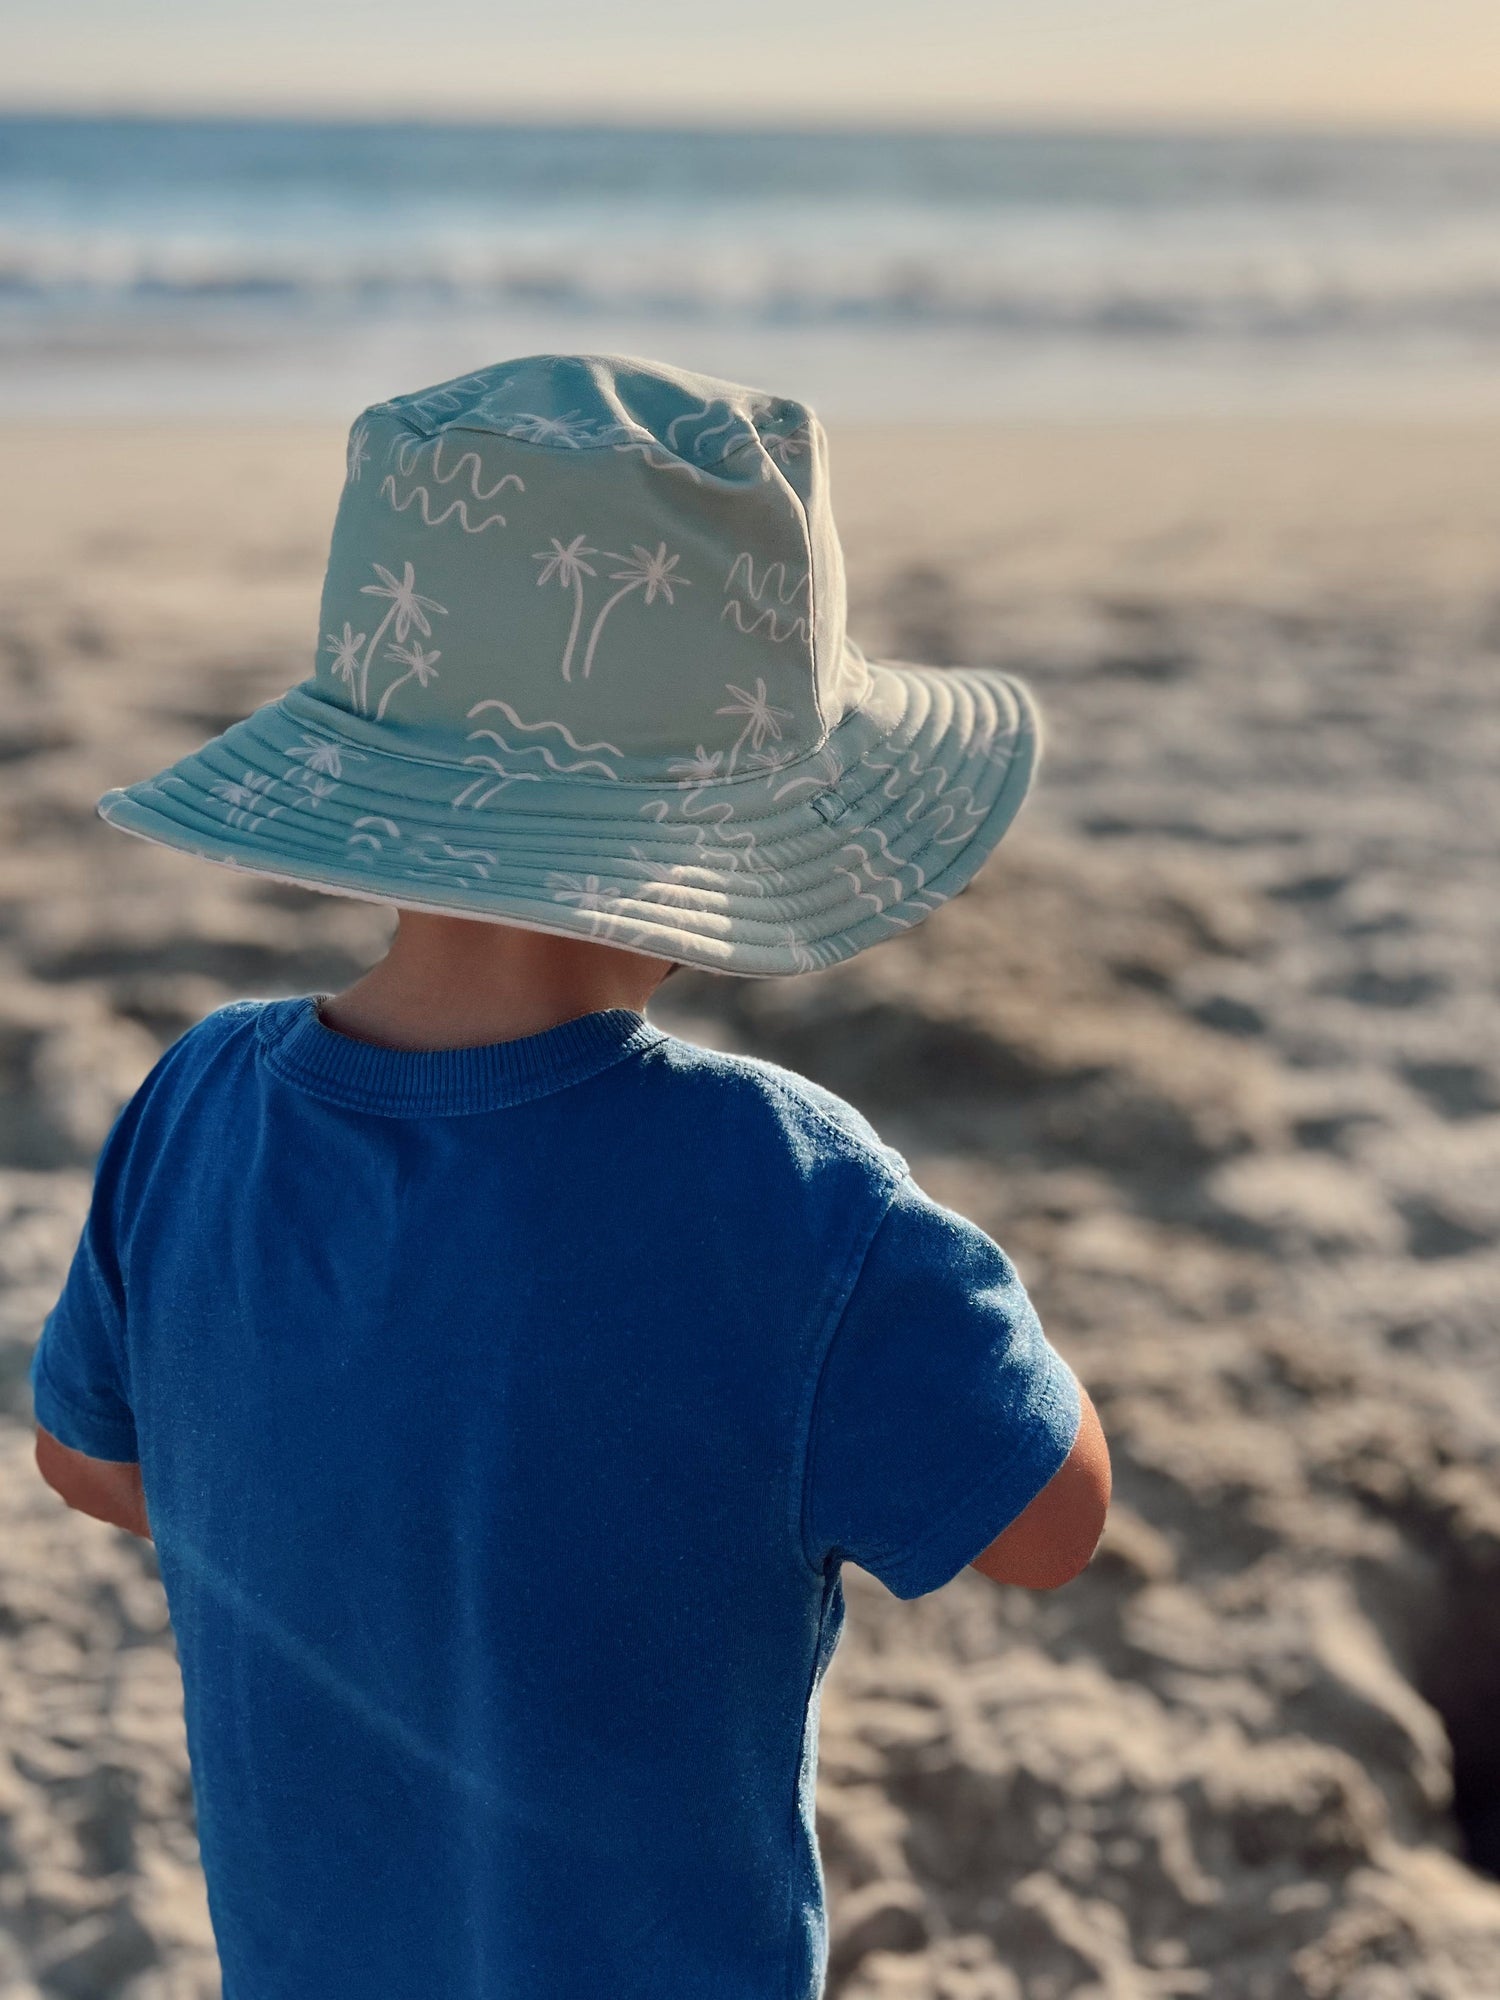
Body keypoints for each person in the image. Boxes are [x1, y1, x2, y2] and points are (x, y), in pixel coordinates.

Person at [29, 353, 1110, 2000]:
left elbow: (94, 1463)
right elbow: (1047, 1522)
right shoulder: (793, 1194)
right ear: (717, 834)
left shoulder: (193, 1105)